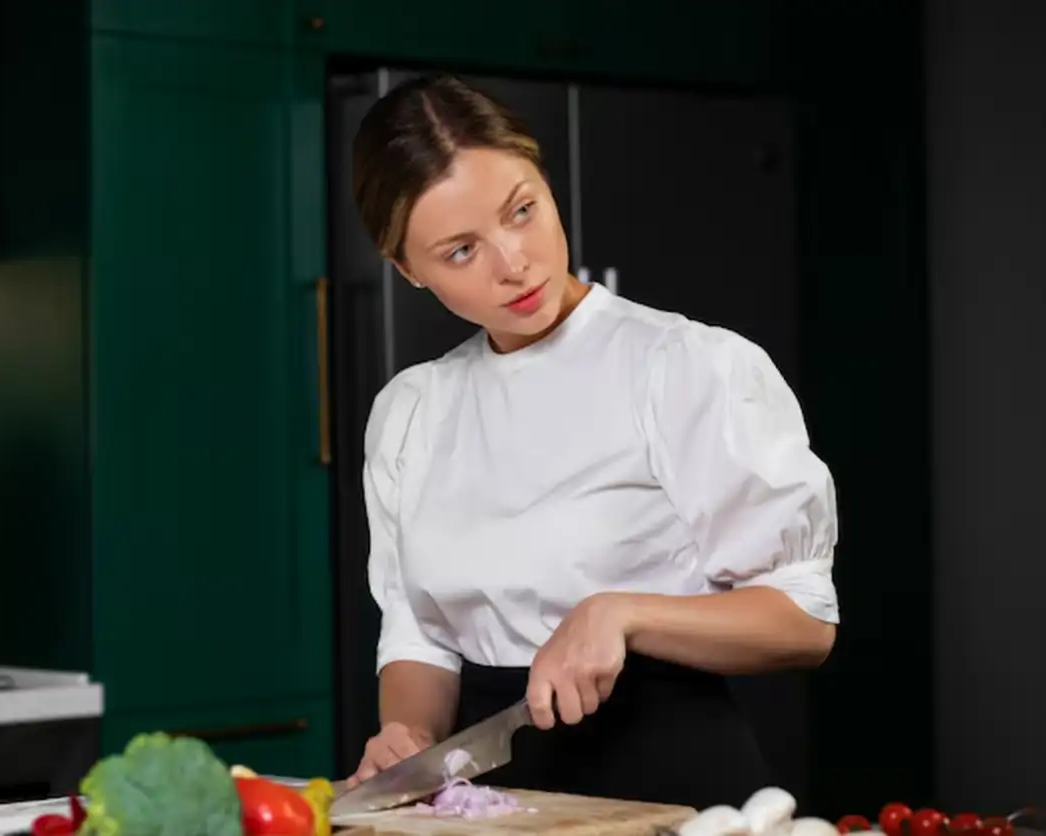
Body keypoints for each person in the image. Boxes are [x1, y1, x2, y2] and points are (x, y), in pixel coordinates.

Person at [345, 74, 839, 811]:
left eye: (522, 210)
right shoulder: (412, 412)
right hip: (492, 803)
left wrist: (622, 613)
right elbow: (418, 632)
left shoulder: (684, 367)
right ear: (406, 270)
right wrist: (408, 734)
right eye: (460, 252)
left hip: (671, 796)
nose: (512, 262)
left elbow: (802, 622)